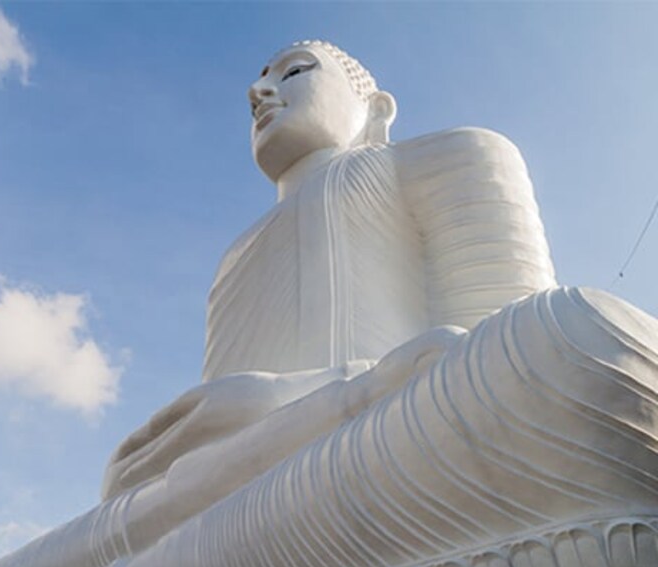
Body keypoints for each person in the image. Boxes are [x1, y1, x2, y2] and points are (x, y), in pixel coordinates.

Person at [102, 39, 556, 502]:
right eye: (257, 86)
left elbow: (521, 353)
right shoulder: (234, 255)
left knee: (575, 328)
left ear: (376, 109)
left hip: (400, 434)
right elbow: (207, 428)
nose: (259, 92)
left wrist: (318, 397)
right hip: (232, 478)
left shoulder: (447, 154)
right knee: (125, 483)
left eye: (294, 72)